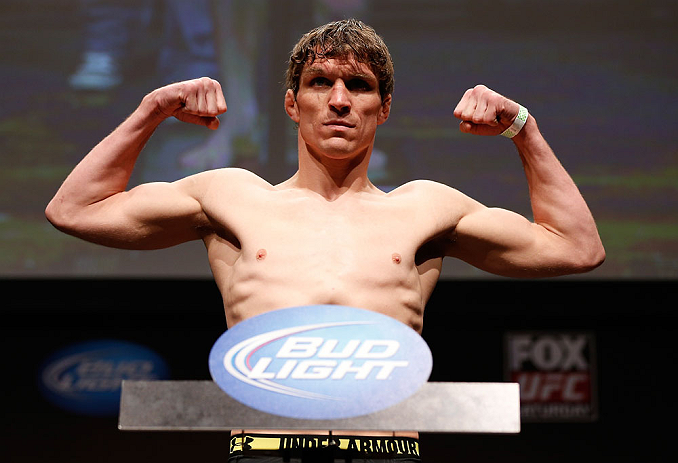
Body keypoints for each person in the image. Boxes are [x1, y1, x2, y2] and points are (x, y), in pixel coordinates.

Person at [46, 19, 605, 463]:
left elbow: (576, 248)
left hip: (384, 450)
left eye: (358, 87)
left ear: (382, 109)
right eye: (321, 83)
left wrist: (523, 130)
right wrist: (152, 112)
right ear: (292, 104)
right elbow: (74, 210)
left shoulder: (426, 207)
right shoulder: (232, 197)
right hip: (264, 450)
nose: (339, 101)